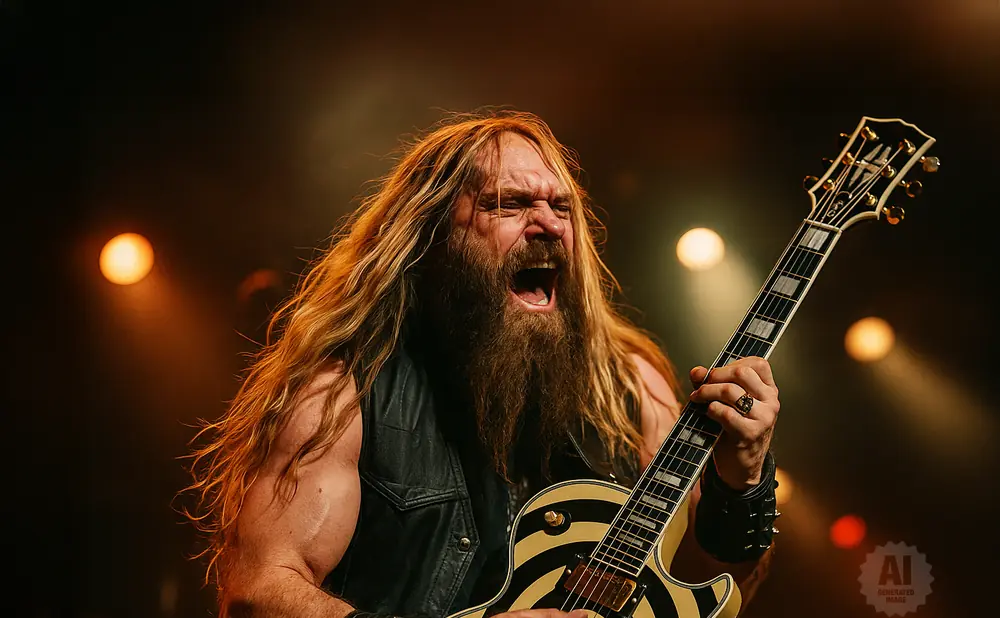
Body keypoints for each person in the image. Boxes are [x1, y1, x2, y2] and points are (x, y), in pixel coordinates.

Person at [185, 111, 781, 618]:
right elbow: (259, 593)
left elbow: (718, 586)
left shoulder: (627, 388)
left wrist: (744, 478)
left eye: (562, 207)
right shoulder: (346, 392)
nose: (548, 223)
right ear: (433, 234)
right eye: (511, 204)